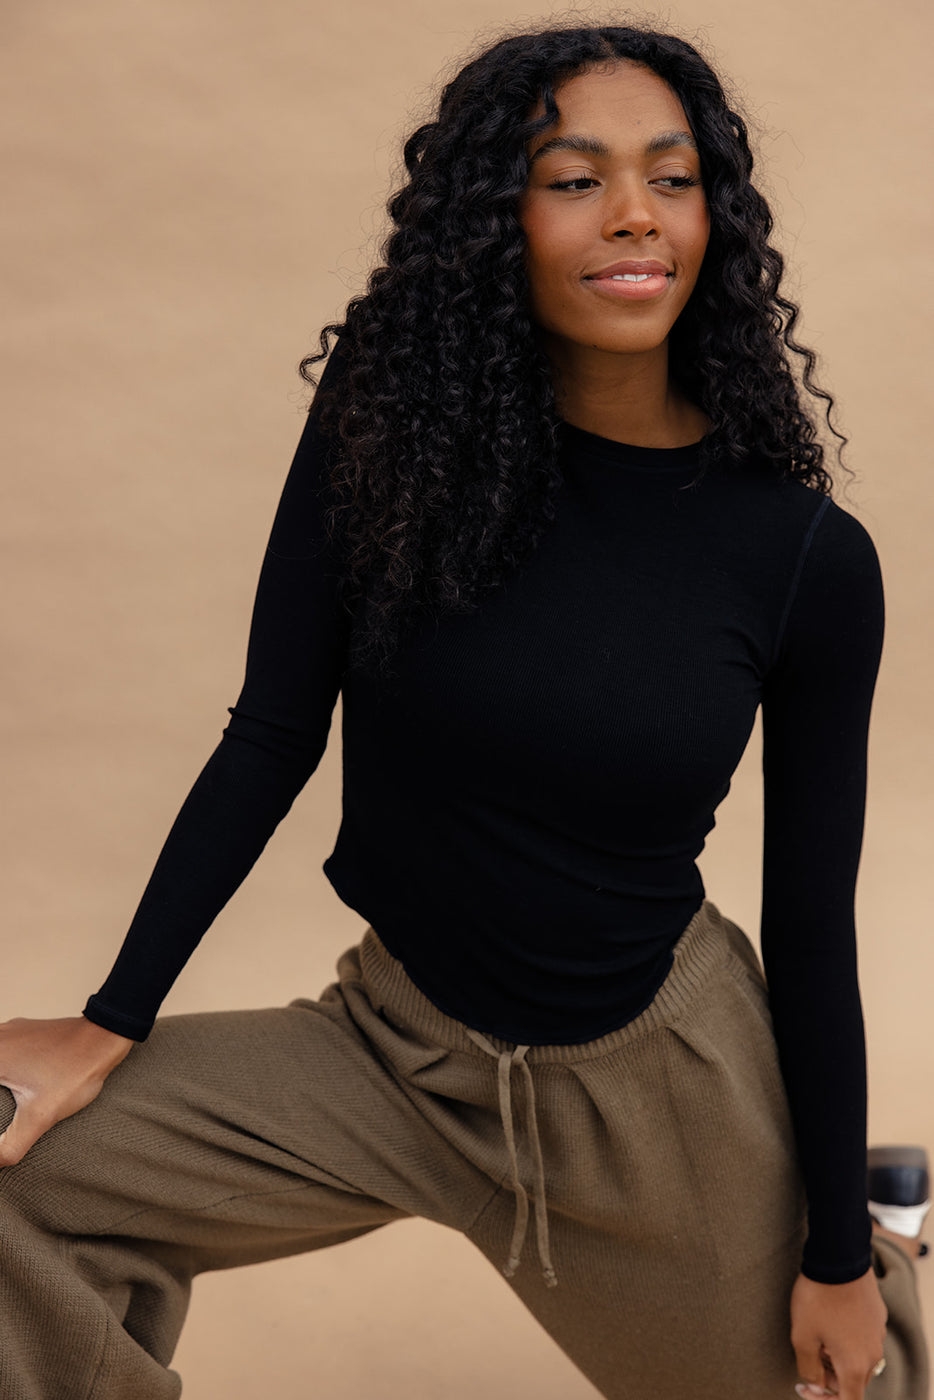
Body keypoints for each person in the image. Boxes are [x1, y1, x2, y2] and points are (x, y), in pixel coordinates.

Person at [0, 21, 928, 1400]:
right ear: (495, 218)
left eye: (671, 180)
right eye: (573, 177)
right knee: (17, 1188)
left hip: (649, 1096)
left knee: (847, 1381)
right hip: (392, 1050)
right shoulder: (392, 425)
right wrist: (108, 1018)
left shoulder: (796, 556)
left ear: (715, 217)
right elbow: (272, 728)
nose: (632, 216)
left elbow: (807, 919)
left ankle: (876, 1215)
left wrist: (838, 1257)